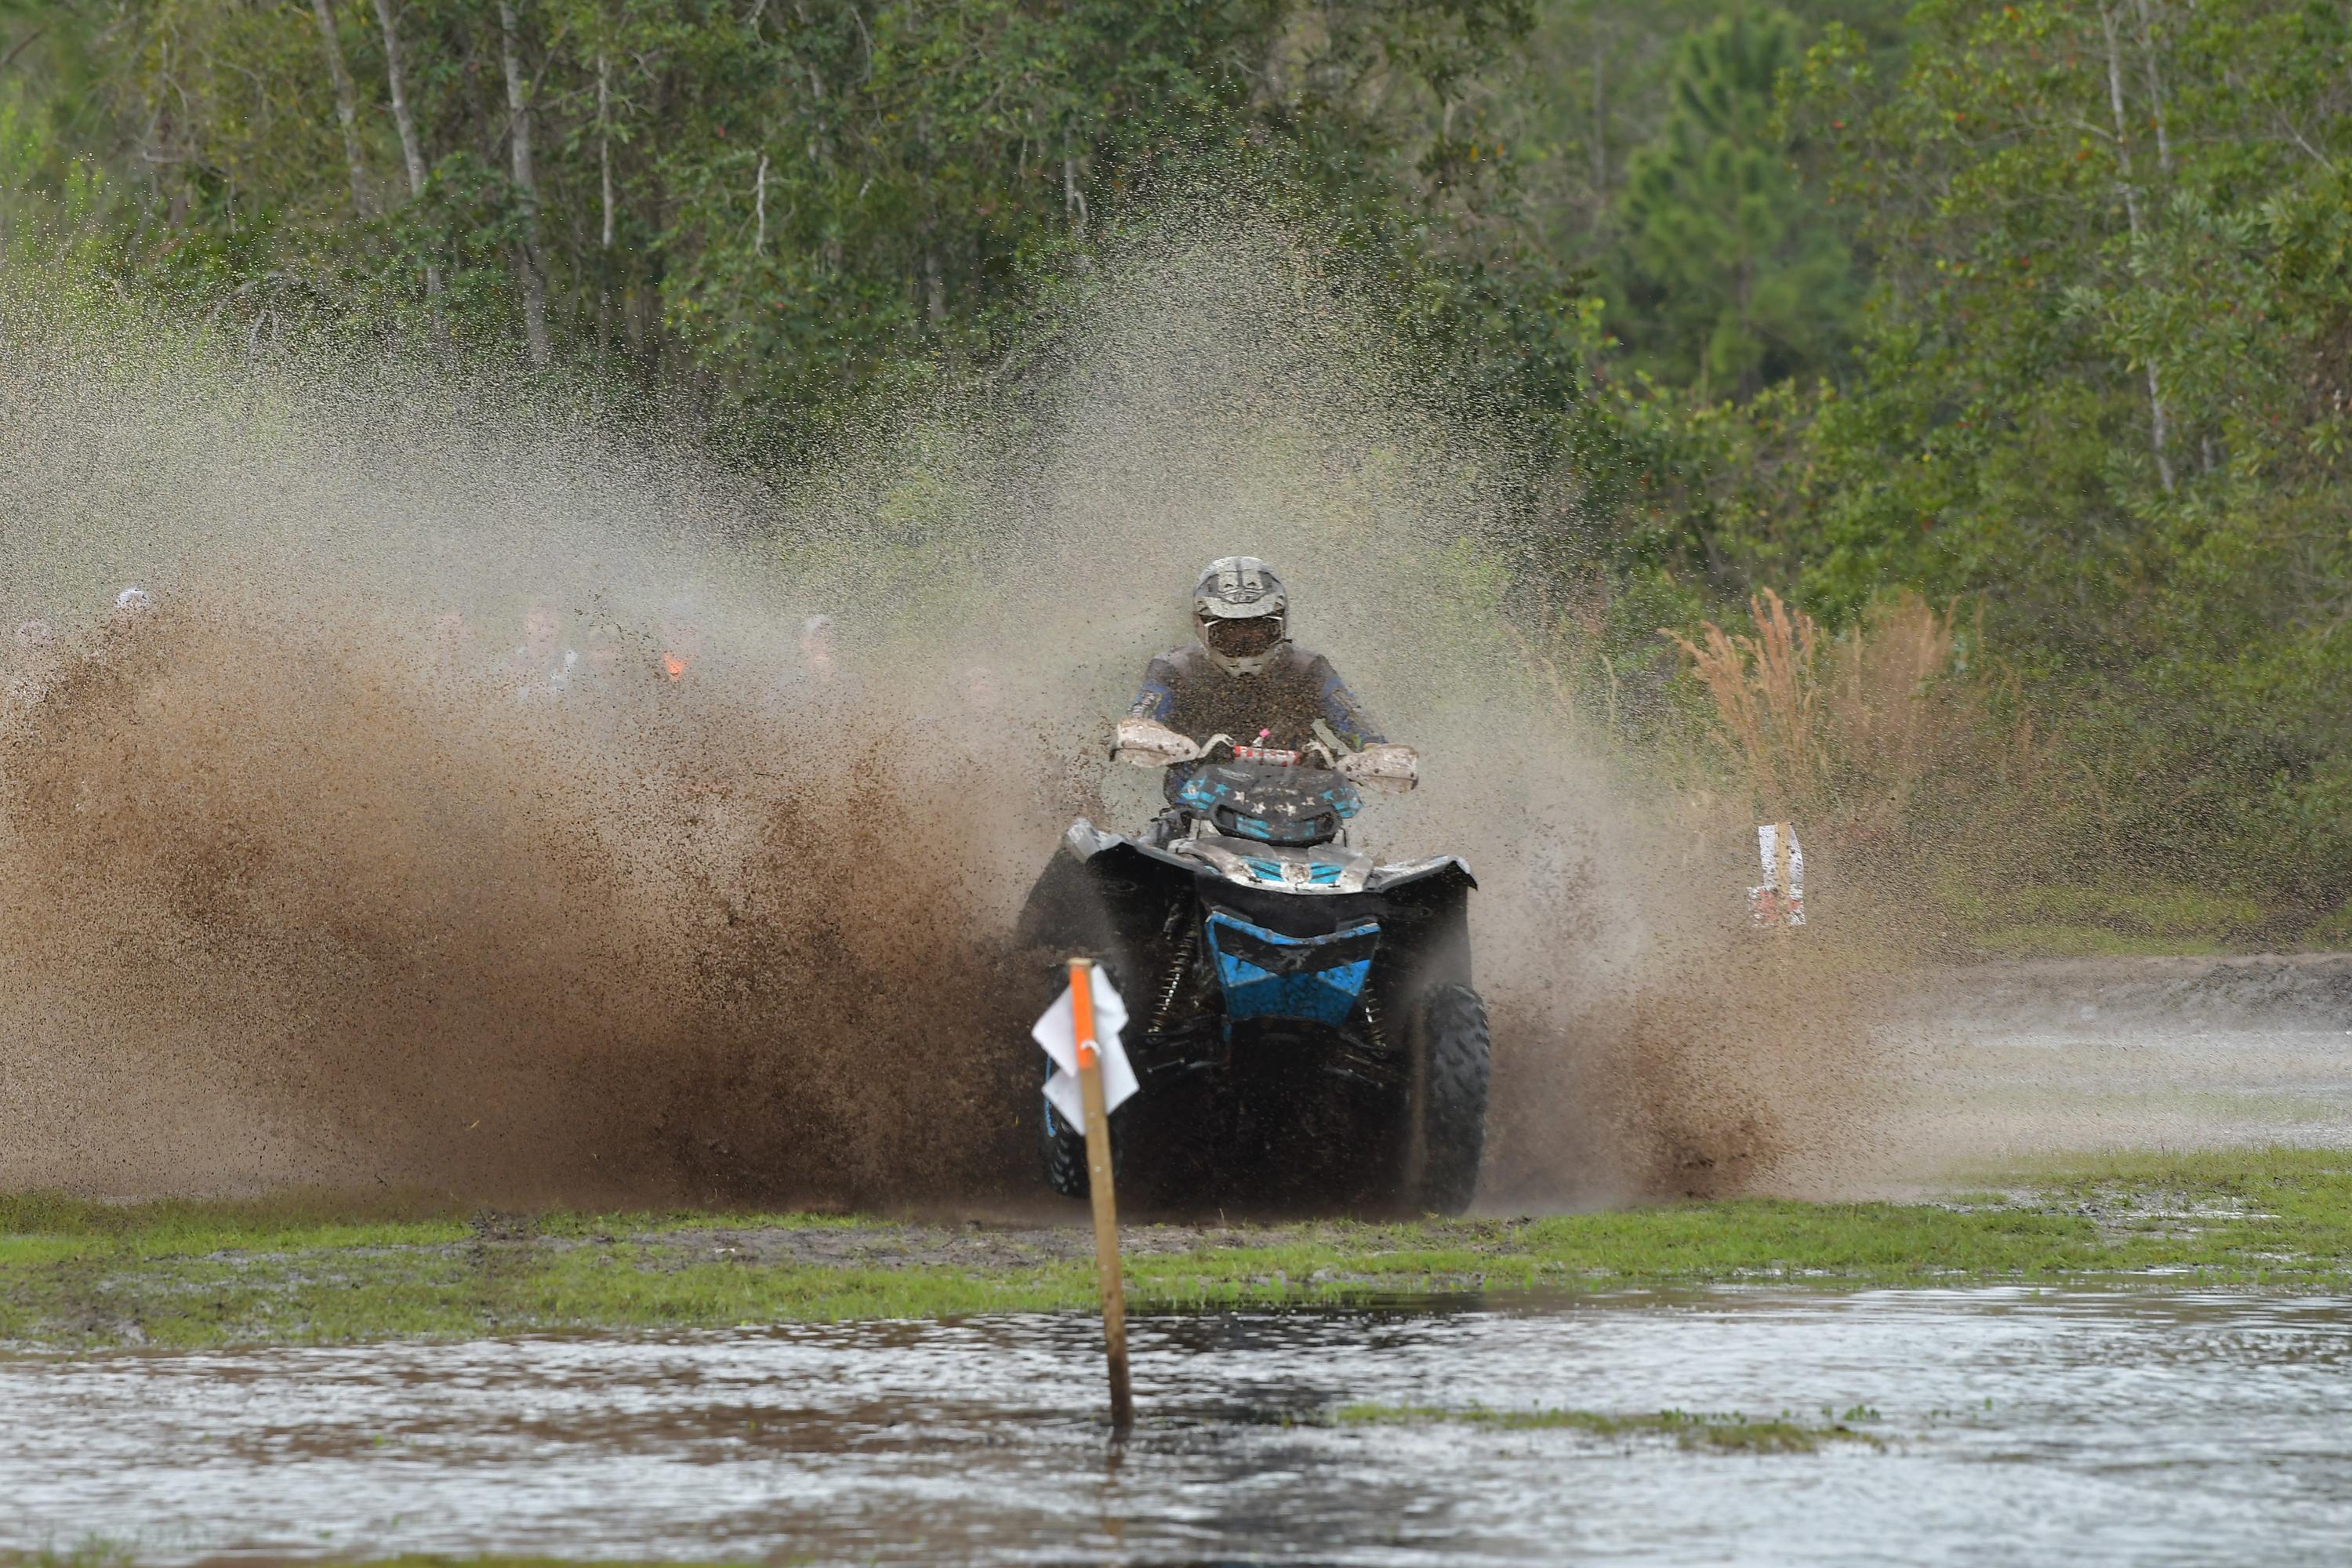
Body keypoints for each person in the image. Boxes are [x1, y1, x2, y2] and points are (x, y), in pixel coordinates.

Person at [1114, 557, 1417, 835]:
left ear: (1281, 625)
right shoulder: (1175, 668)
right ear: (1201, 626)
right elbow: (1142, 718)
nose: (1246, 645)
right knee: (1135, 856)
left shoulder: (1307, 667)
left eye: (1259, 632)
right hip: (1197, 816)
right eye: (1231, 633)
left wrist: (1376, 753)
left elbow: (1354, 721)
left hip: (1306, 815)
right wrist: (1150, 736)